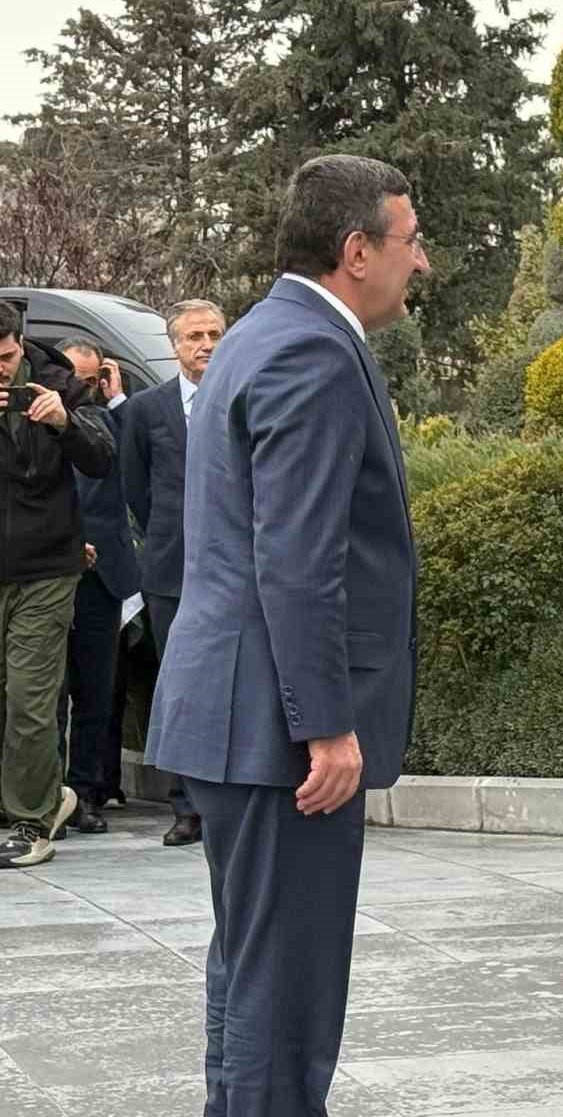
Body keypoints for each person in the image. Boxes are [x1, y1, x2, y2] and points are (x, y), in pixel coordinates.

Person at [146, 153, 422, 1116]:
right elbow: (298, 560)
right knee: (288, 990)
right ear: (357, 251)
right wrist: (326, 723)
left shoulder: (266, 332)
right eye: (409, 240)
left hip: (239, 716)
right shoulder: (309, 349)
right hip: (276, 733)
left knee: (254, 970)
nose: (418, 263)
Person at [0, 301, 114, 868]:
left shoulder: (59, 384)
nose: (0, 368)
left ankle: (30, 820)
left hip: (46, 567)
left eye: (5, 357)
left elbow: (102, 459)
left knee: (30, 698)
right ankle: (28, 802)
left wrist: (62, 422)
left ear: (19, 344)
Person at [122, 298, 226, 846]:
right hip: (170, 571)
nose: (206, 344)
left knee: (232, 681)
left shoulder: (243, 396)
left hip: (235, 569)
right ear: (174, 346)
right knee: (179, 686)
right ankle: (187, 806)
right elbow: (135, 487)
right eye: (194, 336)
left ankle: (229, 800)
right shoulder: (145, 409)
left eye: (214, 333)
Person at [54, 338, 141, 834]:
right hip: (50, 569)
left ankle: (86, 792)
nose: (83, 388)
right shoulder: (42, 416)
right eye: (77, 379)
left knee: (96, 694)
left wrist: (117, 398)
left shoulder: (111, 418)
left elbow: (134, 455)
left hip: (104, 577)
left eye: (92, 380)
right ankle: (50, 797)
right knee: (47, 696)